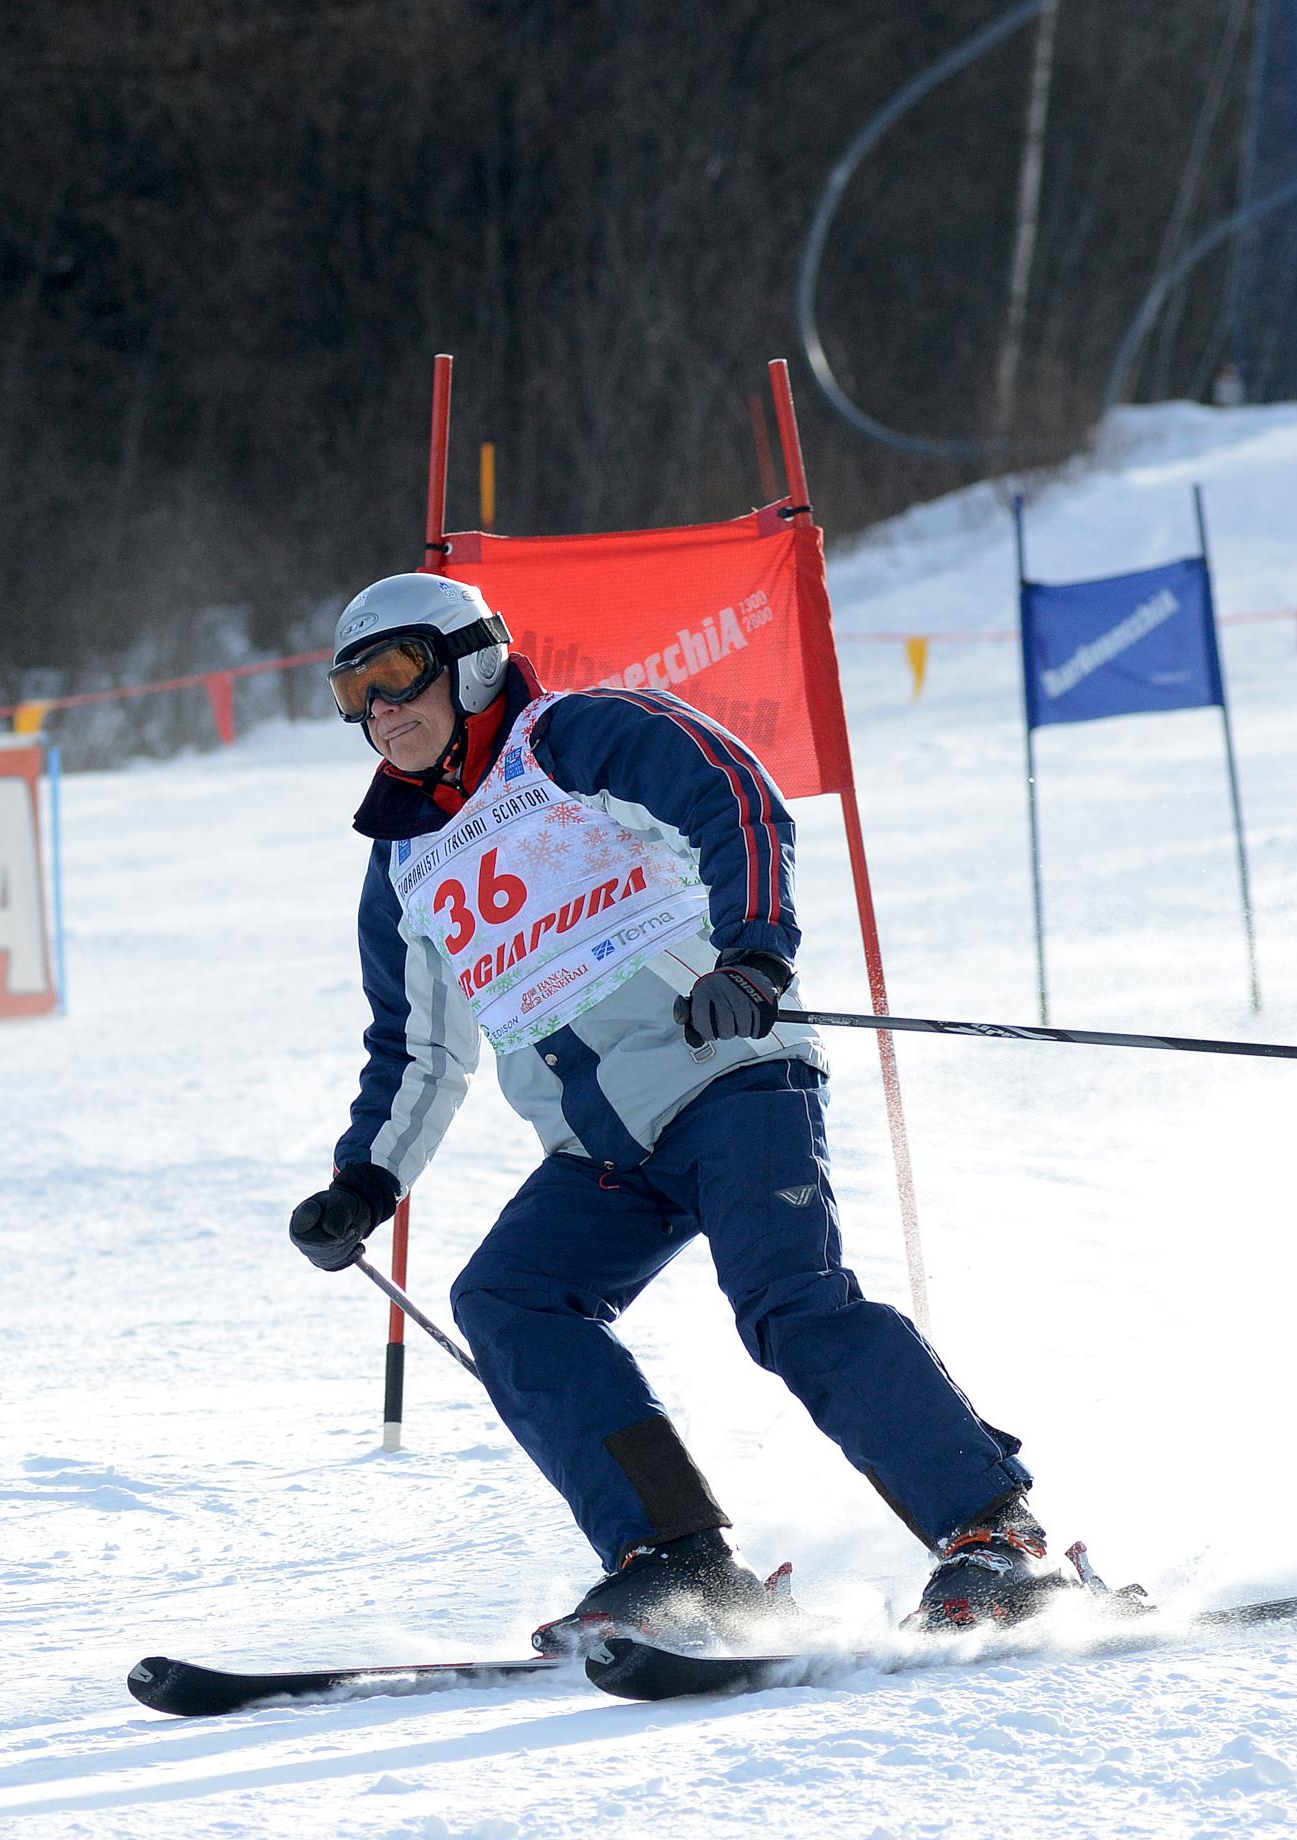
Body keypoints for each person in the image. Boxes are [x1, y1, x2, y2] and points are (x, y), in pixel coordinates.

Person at [287, 571, 1065, 1650]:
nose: (380, 709)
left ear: (469, 661)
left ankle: (994, 1536)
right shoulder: (403, 859)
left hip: (728, 1080)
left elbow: (733, 797)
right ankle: (677, 1560)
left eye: (397, 672)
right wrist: (365, 1181)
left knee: (788, 1305)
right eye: (353, 692)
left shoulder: (571, 738)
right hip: (601, 1146)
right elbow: (415, 1046)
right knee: (510, 1298)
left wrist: (754, 955)